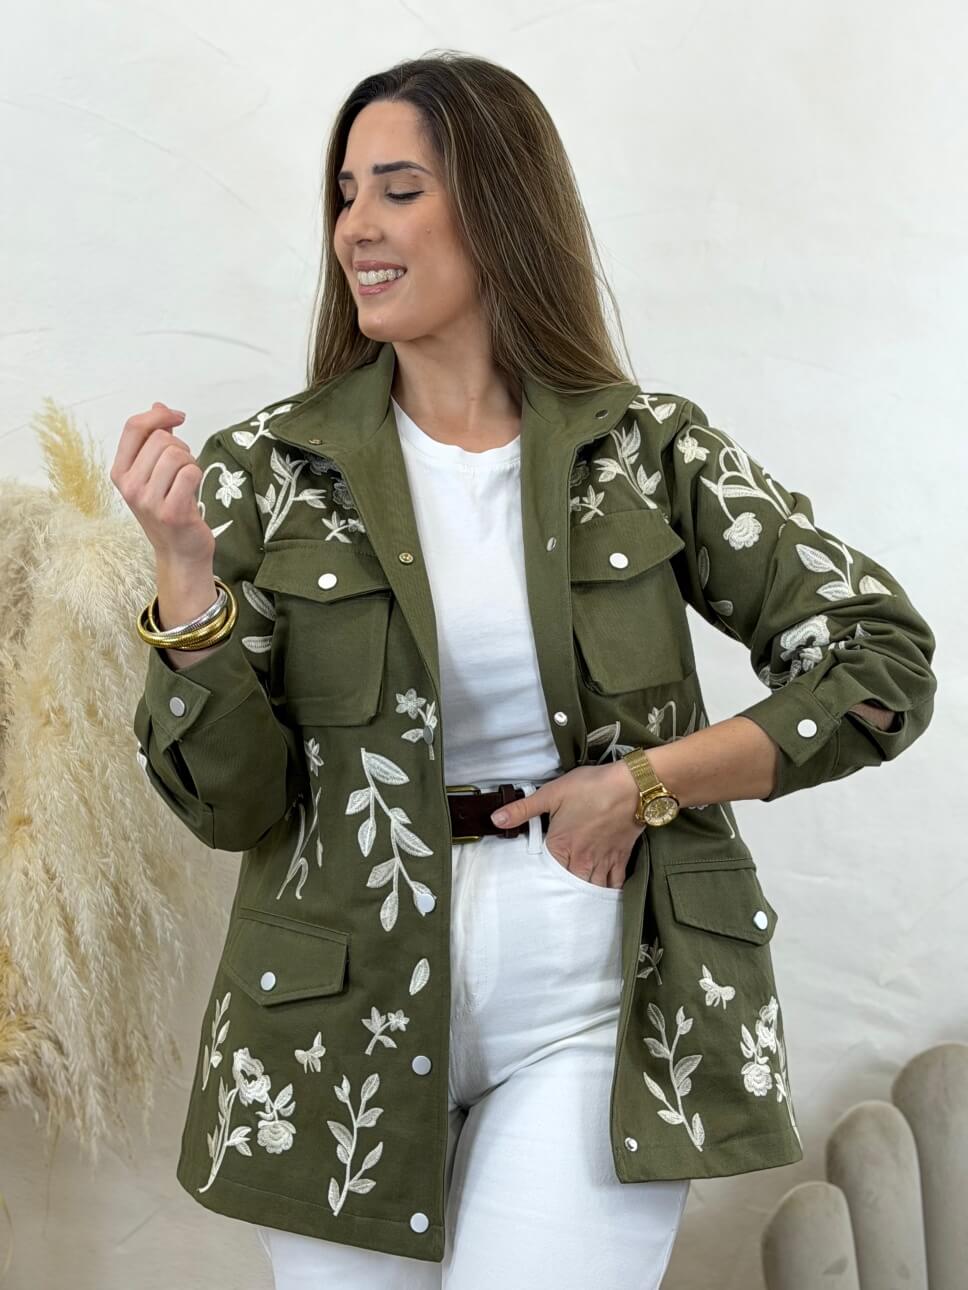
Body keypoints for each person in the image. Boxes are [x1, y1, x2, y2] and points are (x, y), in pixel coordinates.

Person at [113, 51, 936, 1290]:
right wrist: (185, 580)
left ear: (498, 210)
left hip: (594, 997)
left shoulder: (647, 450)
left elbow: (877, 661)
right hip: (331, 1020)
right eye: (345, 193)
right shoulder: (262, 474)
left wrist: (649, 783)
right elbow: (231, 805)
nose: (357, 227)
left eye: (399, 190)